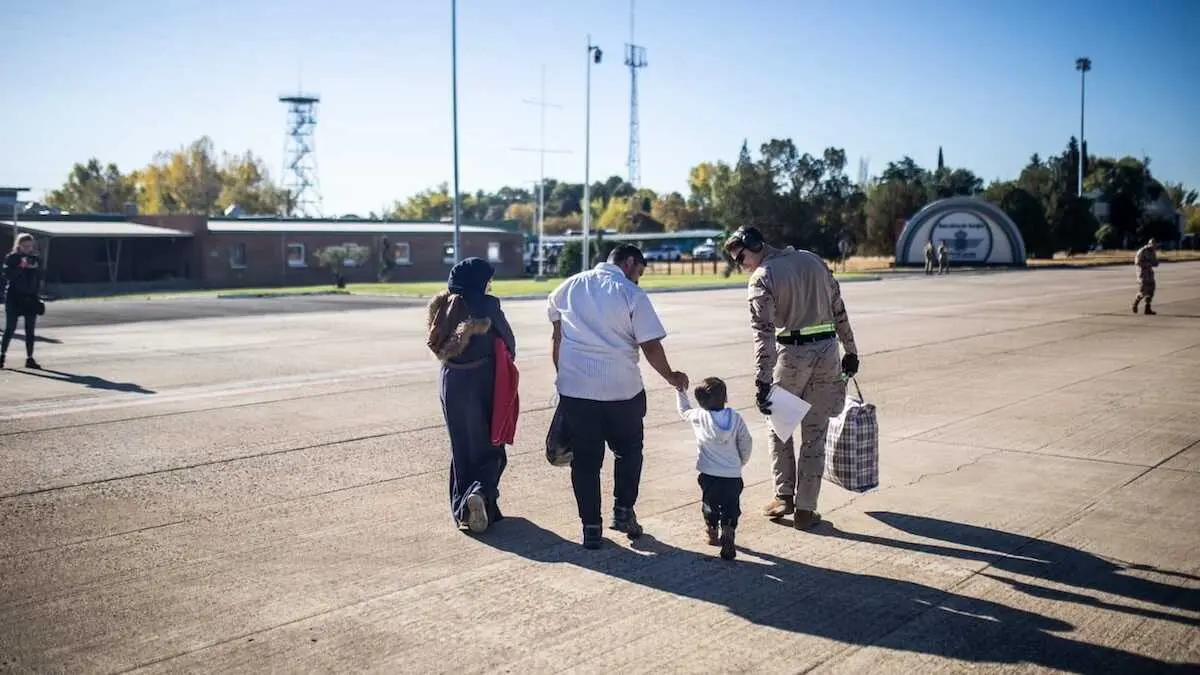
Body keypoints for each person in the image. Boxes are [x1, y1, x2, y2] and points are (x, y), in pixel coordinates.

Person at [548, 244, 689, 550]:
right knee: (629, 451)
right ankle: (624, 511)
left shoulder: (566, 288)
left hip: (576, 391)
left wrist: (563, 379)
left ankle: (591, 528)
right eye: (638, 271)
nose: (638, 278)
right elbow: (650, 346)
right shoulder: (631, 294)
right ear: (628, 263)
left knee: (585, 462)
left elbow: (557, 339)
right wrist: (671, 376)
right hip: (622, 391)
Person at [723, 226, 859, 530]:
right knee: (815, 434)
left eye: (740, 257)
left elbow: (764, 335)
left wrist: (762, 380)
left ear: (755, 245)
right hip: (827, 353)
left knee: (779, 427)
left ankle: (784, 496)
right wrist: (850, 349)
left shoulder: (762, 278)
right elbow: (839, 308)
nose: (740, 265)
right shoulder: (813, 260)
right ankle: (806, 510)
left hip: (792, 356)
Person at [425, 257, 516, 534]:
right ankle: (479, 493)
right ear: (479, 281)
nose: (490, 285)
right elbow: (510, 344)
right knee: (491, 444)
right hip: (483, 379)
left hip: (451, 381)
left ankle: (465, 510)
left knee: (461, 447)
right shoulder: (487, 306)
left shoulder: (442, 304)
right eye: (488, 279)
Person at [675, 376, 752, 561]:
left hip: (709, 473)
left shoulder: (699, 416)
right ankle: (728, 529)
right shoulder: (735, 418)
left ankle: (711, 531)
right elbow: (746, 442)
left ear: (701, 401)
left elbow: (684, 411)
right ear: (725, 397)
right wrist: (741, 462)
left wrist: (680, 391)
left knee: (710, 504)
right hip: (732, 474)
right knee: (731, 505)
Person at [2, 233, 44, 370]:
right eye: (25, 246)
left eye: (30, 246)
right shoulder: (12, 258)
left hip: (30, 298)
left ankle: (30, 358)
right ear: (19, 245)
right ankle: (2, 356)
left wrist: (37, 296)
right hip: (14, 298)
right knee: (10, 329)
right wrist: (20, 266)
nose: (28, 248)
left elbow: (39, 278)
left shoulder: (35, 259)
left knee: (30, 330)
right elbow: (8, 276)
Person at [1133, 238, 1159, 315]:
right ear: (1149, 244)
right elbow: (1137, 262)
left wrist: (1155, 263)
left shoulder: (1153, 252)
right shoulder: (1142, 251)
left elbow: (1154, 262)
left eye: (1155, 245)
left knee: (1151, 290)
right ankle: (1135, 303)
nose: (1154, 246)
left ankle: (1147, 308)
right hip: (1142, 273)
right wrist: (1148, 264)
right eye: (1152, 244)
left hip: (1150, 273)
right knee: (1143, 291)